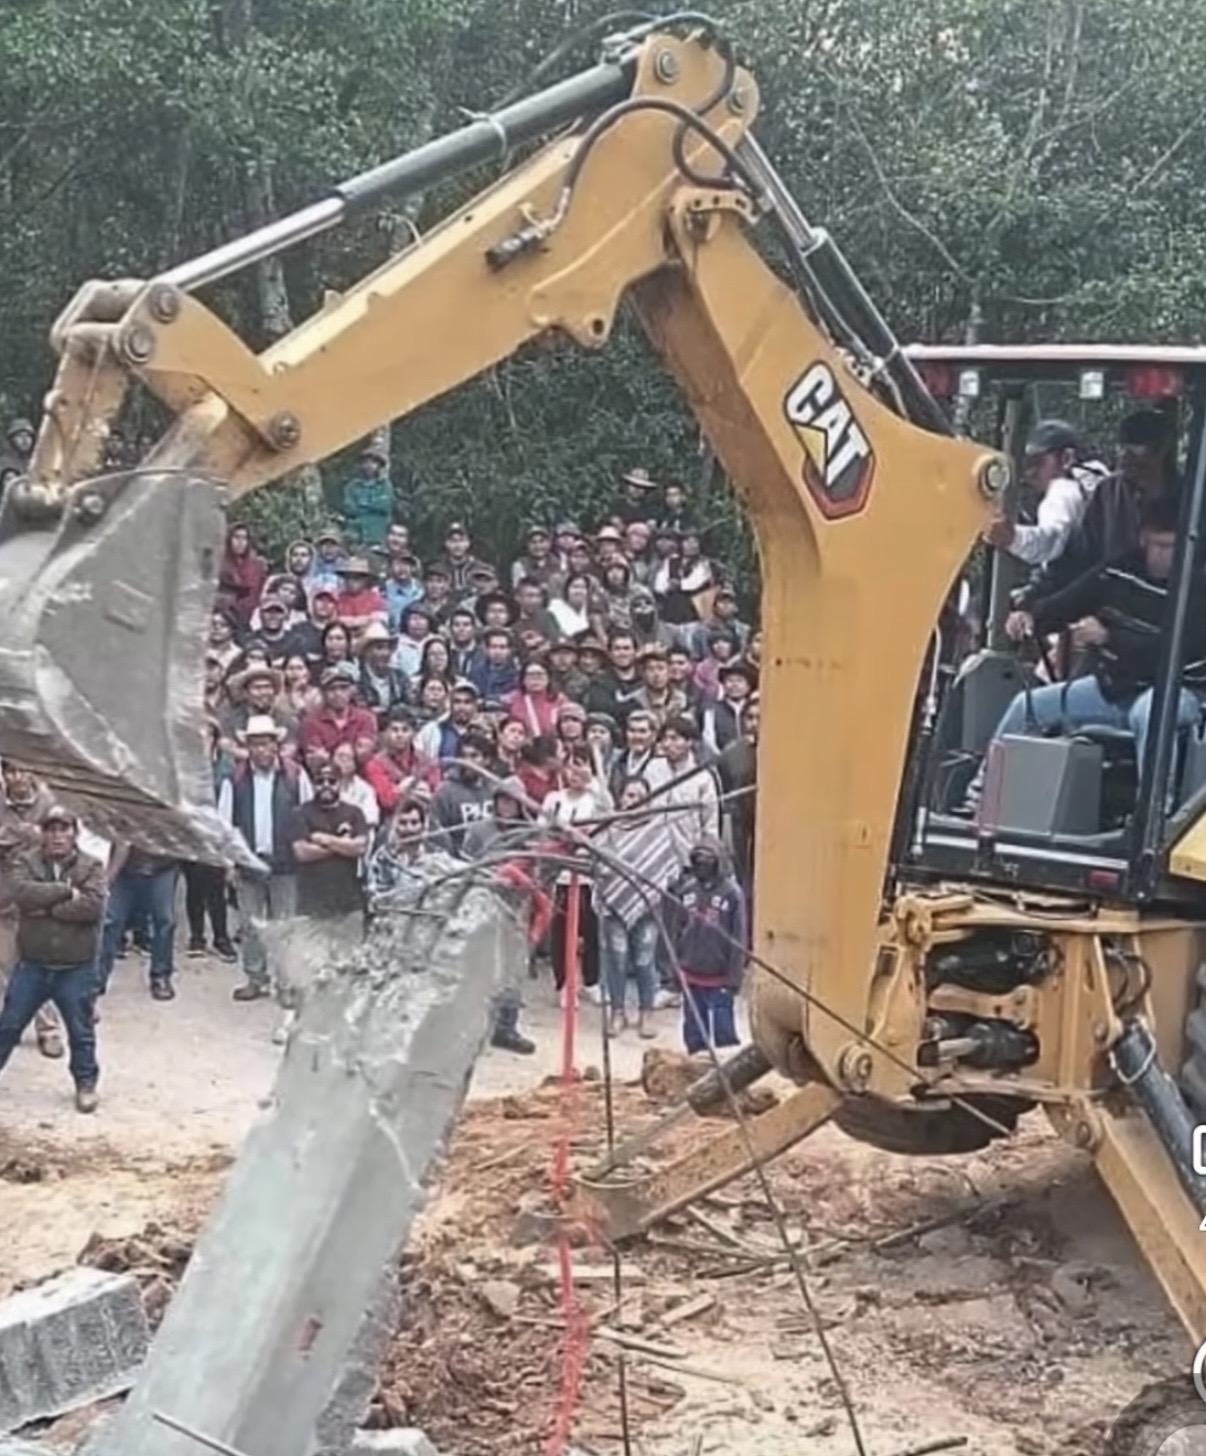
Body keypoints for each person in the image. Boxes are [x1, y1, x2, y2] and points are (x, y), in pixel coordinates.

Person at [965, 496, 1206, 811]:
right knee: (1028, 707)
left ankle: (1155, 816)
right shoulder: (1119, 570)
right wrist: (1032, 617)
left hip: (1179, 692)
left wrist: (1109, 637)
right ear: (1143, 538)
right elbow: (1070, 601)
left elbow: (1178, 650)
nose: (1165, 556)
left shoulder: (1198, 586)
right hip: (1114, 689)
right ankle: (982, 799)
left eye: (1172, 547)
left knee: (1150, 714)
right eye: (1158, 545)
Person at [0, 806, 106, 1113]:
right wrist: (65, 892)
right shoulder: (25, 861)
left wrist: (47, 907)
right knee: (8, 1025)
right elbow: (21, 894)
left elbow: (93, 907)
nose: (58, 836)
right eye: (51, 829)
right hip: (33, 964)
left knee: (81, 1032)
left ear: (75, 833)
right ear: (42, 834)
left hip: (75, 967)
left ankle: (85, 1085)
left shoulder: (92, 866)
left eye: (64, 829)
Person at [218, 717, 311, 1002]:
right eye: (256, 744)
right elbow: (225, 825)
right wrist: (229, 864)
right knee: (251, 926)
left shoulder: (296, 776)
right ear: (248, 748)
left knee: (286, 926)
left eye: (268, 743)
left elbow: (308, 816)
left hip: (286, 863)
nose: (263, 750)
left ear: (277, 746)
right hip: (249, 863)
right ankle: (256, 978)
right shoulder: (234, 779)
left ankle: (286, 984)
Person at [595, 776, 680, 1037]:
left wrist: (652, 886)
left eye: (639, 796)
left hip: (647, 906)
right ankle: (617, 1012)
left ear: (649, 801)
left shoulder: (660, 830)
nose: (633, 801)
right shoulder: (608, 828)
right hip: (613, 903)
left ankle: (646, 1013)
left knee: (645, 961)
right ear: (620, 798)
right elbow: (595, 862)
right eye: (629, 795)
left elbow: (670, 868)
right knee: (617, 960)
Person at [982, 419, 1107, 569]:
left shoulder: (1063, 490)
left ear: (1066, 458)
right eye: (1028, 463)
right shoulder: (1098, 477)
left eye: (1038, 462)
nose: (1030, 472)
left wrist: (1013, 538)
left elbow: (1049, 540)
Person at [0, 764, 63, 1058]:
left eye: (21, 770)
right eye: (9, 771)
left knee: (41, 966)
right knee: (7, 967)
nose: (16, 777)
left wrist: (36, 836)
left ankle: (48, 1030)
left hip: (40, 900)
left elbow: (66, 846)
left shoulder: (50, 804)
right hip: (5, 901)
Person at [665, 838, 747, 1055]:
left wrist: (735, 977)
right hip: (691, 972)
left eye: (707, 861)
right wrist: (675, 970)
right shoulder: (687, 890)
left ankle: (729, 1069)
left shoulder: (732, 894)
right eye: (697, 860)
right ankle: (696, 1064)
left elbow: (739, 937)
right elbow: (675, 930)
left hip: (720, 975)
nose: (702, 865)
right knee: (694, 1028)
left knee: (723, 1029)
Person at [542, 748, 610, 1002]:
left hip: (588, 874)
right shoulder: (554, 799)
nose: (575, 772)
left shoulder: (595, 800)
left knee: (590, 929)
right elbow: (542, 830)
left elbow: (609, 815)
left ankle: (591, 981)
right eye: (570, 766)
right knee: (560, 931)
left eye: (581, 766)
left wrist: (595, 774)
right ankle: (563, 982)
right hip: (559, 874)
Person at [99, 846, 180, 1002]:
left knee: (164, 920)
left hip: (164, 866)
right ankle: (97, 977)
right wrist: (109, 877)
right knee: (111, 921)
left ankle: (160, 975)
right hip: (126, 868)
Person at [289, 765, 369, 920]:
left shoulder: (354, 813)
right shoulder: (300, 813)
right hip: (311, 904)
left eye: (331, 781)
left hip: (350, 902)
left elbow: (360, 847)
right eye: (320, 781)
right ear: (313, 784)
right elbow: (302, 852)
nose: (326, 786)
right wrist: (342, 845)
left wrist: (325, 840)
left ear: (340, 783)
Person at [658, 716, 721, 861]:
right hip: (656, 856)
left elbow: (710, 824)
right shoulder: (652, 769)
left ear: (689, 742)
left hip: (688, 854)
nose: (668, 744)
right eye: (664, 739)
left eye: (674, 739)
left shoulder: (702, 778)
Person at [365, 707, 440, 814]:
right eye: (394, 730)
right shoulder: (375, 764)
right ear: (385, 733)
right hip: (390, 819)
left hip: (425, 815)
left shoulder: (426, 761)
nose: (399, 735)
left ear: (413, 733)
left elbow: (436, 792)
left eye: (405, 730)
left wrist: (401, 791)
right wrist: (417, 791)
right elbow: (387, 800)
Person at [430, 732, 493, 853]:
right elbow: (436, 833)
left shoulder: (496, 789)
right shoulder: (445, 792)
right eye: (463, 756)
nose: (467, 762)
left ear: (487, 760)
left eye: (474, 756)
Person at [298, 669, 379, 756]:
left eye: (343, 688)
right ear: (323, 693)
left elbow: (364, 752)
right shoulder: (310, 723)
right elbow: (316, 759)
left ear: (351, 691)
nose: (338, 693)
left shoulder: (365, 718)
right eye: (332, 689)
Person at [417, 679, 483, 762]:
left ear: (475, 706)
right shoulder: (432, 730)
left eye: (467, 702)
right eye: (457, 702)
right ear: (450, 704)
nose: (462, 707)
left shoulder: (485, 731)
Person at [341, 445, 394, 548]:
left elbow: (384, 506)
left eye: (373, 462)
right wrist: (372, 506)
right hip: (355, 535)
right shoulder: (352, 486)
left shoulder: (385, 485)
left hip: (377, 535)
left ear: (379, 466)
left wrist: (362, 504)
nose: (369, 466)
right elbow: (349, 509)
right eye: (365, 462)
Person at [610, 710, 670, 799]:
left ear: (653, 735)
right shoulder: (618, 761)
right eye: (632, 731)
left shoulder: (662, 763)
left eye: (642, 731)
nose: (636, 736)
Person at [702, 660, 757, 755]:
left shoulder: (756, 708)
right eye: (730, 681)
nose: (734, 685)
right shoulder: (712, 710)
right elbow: (709, 741)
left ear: (748, 686)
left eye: (739, 681)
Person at [358, 621, 409, 723]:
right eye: (379, 648)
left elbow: (411, 705)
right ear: (367, 651)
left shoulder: (400, 677)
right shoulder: (357, 678)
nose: (385, 653)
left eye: (388, 648)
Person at [219, 524, 268, 629]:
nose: (240, 542)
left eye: (244, 538)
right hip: (223, 620)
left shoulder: (257, 566)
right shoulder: (219, 564)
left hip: (250, 620)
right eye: (236, 537)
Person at [505, 658, 569, 737]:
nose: (535, 679)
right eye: (531, 675)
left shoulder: (560, 700)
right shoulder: (511, 700)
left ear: (548, 678)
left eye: (540, 674)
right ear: (523, 679)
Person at [332, 742, 380, 831]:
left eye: (348, 758)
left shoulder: (365, 790)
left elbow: (371, 818)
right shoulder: (322, 784)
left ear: (355, 764)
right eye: (340, 756)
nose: (343, 761)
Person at [335, 557, 388, 632]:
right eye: (347, 578)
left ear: (365, 580)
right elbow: (333, 619)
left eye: (355, 578)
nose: (350, 582)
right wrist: (364, 619)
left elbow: (380, 619)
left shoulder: (375, 597)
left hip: (368, 636)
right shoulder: (338, 597)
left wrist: (351, 621)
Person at [470, 628, 521, 704]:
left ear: (509, 650)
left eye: (502, 647)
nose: (497, 652)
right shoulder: (475, 672)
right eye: (493, 647)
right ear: (486, 649)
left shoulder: (518, 674)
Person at [384, 552, 423, 631]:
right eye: (398, 564)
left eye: (406, 564)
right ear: (390, 568)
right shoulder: (383, 590)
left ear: (413, 568)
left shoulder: (421, 589)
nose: (402, 568)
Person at [511, 525, 558, 591]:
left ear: (549, 543)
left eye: (541, 541)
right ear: (527, 545)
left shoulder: (557, 562)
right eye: (533, 542)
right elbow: (518, 588)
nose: (538, 546)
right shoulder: (520, 565)